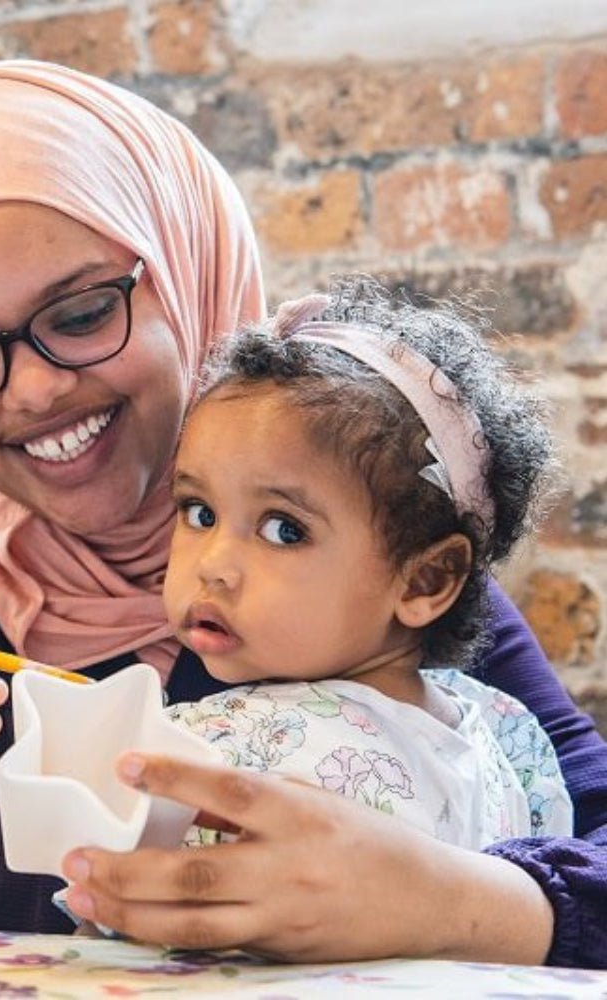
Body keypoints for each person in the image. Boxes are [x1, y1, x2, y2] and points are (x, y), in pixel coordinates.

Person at [0, 60, 607, 968]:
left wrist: (439, 898)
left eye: (83, 312)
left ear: (184, 271)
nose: (34, 391)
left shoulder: (371, 576)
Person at [162, 278, 573, 850]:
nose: (213, 566)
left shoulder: (216, 751)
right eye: (199, 512)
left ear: (427, 579)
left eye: (284, 530)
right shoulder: (508, 736)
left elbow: (99, 900)